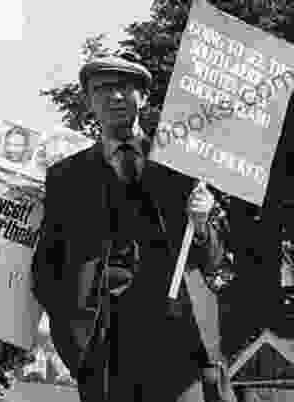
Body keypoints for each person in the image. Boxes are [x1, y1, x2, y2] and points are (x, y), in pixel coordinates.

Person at [31, 53, 234, 401]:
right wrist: (72, 335)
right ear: (89, 101)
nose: (113, 97)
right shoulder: (65, 176)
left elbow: (214, 258)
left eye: (124, 88)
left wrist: (201, 223)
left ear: (144, 96)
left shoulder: (182, 165)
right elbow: (47, 267)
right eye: (101, 89)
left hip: (180, 339)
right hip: (102, 346)